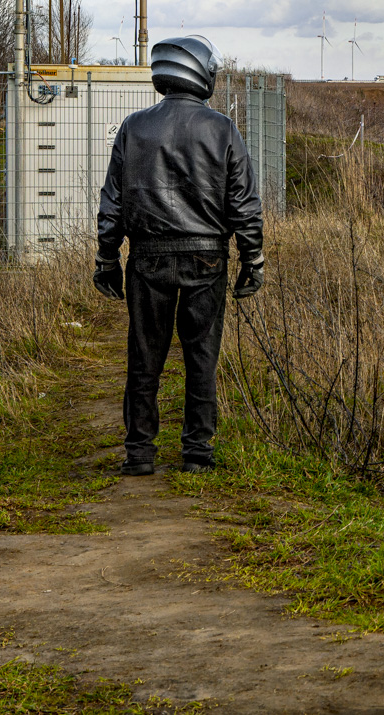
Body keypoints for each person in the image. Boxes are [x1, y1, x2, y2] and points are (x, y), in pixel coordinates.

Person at [94, 36, 265, 476]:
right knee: (201, 358)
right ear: (200, 71)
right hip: (207, 258)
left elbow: (112, 201)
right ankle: (197, 454)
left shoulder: (134, 127)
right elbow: (243, 202)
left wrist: (107, 259)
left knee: (144, 358)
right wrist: (252, 259)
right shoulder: (222, 128)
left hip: (146, 259)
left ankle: (139, 454)